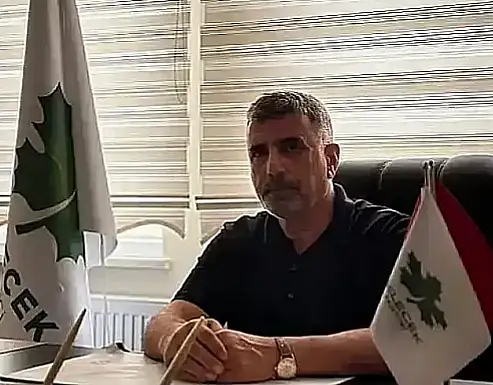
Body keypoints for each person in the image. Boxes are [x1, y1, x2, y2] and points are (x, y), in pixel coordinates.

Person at [144, 91, 410, 383]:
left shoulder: (392, 236)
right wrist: (174, 341)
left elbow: (416, 340)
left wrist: (277, 355)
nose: (273, 168)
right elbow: (167, 320)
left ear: (330, 159)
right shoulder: (238, 240)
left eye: (292, 148)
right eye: (258, 153)